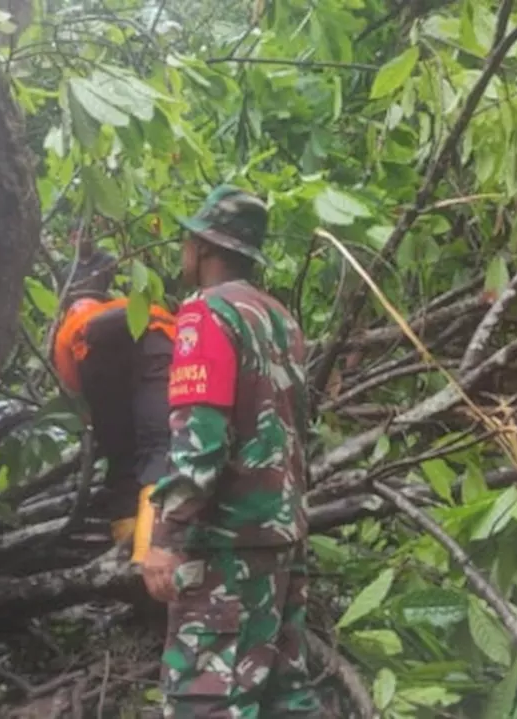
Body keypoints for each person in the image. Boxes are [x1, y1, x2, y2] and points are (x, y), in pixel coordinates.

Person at [138, 185, 321, 717]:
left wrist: (167, 538)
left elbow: (200, 444)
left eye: (188, 242)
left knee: (205, 698)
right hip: (283, 537)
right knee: (283, 694)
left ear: (204, 247)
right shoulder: (278, 317)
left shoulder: (205, 314)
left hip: (227, 547)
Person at [51, 244, 175, 563]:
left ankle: (131, 565)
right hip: (151, 339)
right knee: (158, 448)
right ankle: (145, 558)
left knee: (122, 461)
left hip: (89, 354)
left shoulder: (69, 328)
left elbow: (76, 387)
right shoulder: (126, 307)